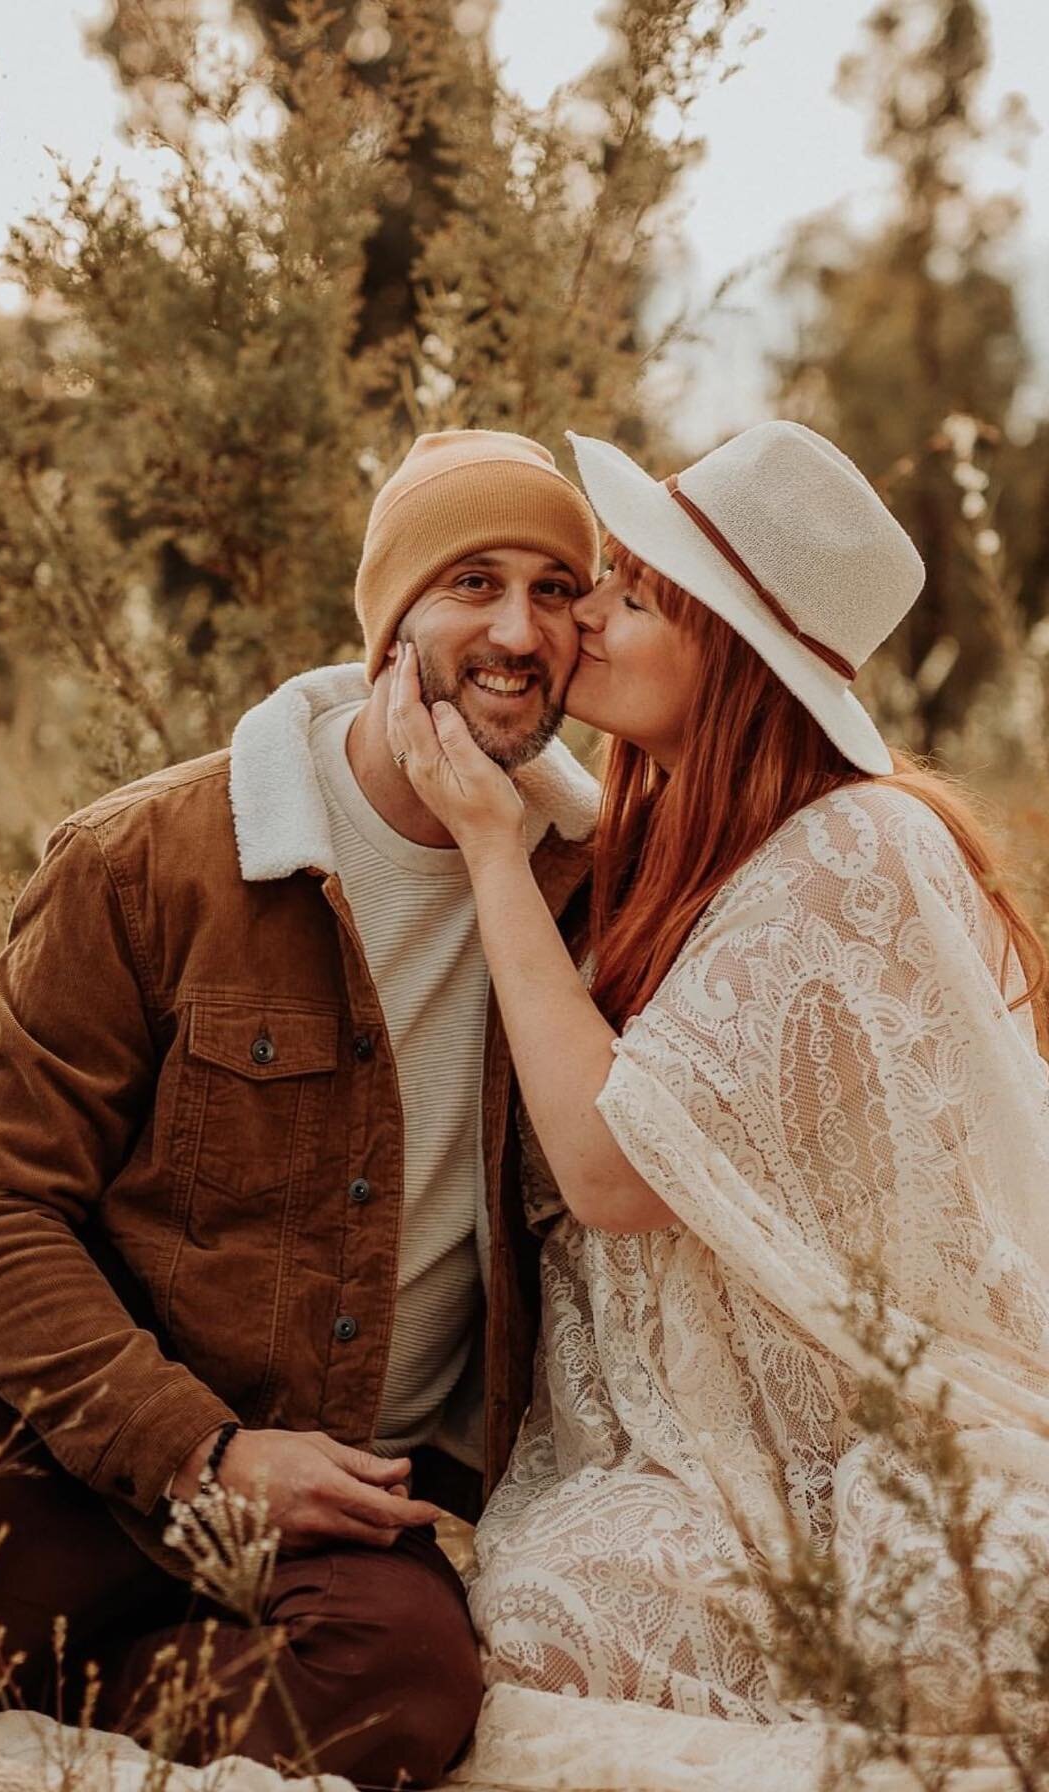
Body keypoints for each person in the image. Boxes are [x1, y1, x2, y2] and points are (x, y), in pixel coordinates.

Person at [0, 429, 602, 1788]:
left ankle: (28, 1671)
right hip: (69, 1442)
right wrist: (202, 1453)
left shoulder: (586, 888)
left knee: (404, 1698)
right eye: (474, 581)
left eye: (556, 590)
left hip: (348, 1500)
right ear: (389, 626)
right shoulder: (149, 860)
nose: (518, 627)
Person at [385, 420, 1049, 1753]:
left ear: (731, 650)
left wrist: (490, 851)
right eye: (606, 579)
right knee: (543, 1610)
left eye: (634, 596)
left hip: (880, 1425)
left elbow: (613, 1172)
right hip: (689, 1446)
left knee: (942, 1606)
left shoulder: (855, 845)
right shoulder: (664, 841)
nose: (583, 620)